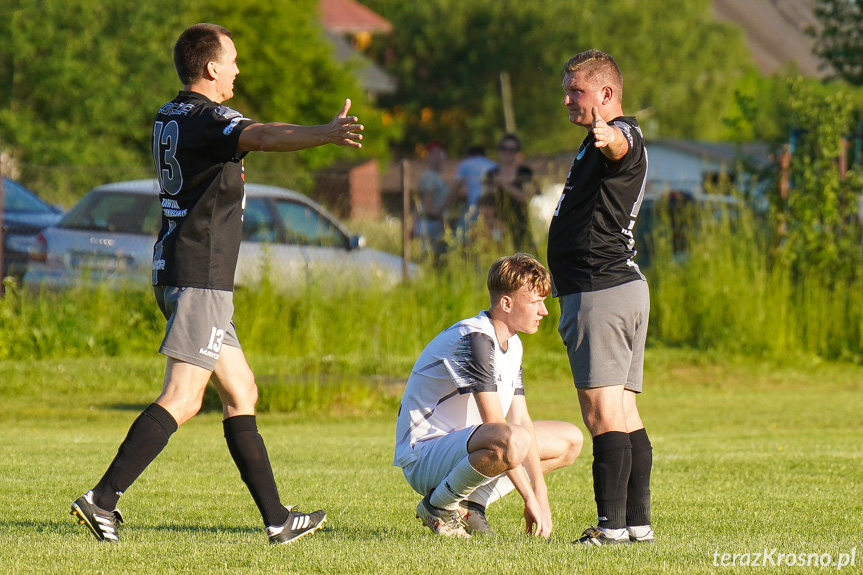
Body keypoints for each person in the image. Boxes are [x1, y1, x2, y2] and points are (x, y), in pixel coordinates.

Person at [70, 22, 364, 545]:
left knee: (242, 389)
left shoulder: (172, 112)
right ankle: (102, 498)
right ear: (210, 67)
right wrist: (323, 132)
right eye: (232, 61)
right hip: (200, 274)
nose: (236, 70)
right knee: (183, 398)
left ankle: (277, 519)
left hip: (181, 268)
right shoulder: (211, 118)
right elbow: (264, 134)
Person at [394, 253, 583, 538]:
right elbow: (497, 425)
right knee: (513, 439)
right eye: (535, 302)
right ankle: (438, 506)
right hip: (424, 456)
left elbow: (521, 418)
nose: (544, 311)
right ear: (506, 303)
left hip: (463, 447)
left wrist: (540, 493)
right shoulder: (476, 339)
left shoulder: (513, 343)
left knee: (570, 440)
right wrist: (527, 499)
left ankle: (472, 505)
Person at [547, 49, 653, 546]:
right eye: (566, 90)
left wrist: (608, 134)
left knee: (601, 415)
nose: (567, 99)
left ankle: (611, 528)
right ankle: (637, 524)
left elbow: (621, 143)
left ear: (606, 95)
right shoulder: (593, 141)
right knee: (624, 414)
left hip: (600, 289)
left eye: (577, 91)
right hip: (620, 288)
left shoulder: (618, 133)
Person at [483, 134, 539, 253]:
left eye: (511, 149)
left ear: (517, 152)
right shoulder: (491, 173)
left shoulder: (524, 172)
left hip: (521, 222)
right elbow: (486, 199)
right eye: (504, 148)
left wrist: (504, 185)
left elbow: (526, 197)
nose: (507, 152)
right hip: (498, 223)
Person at [413, 141, 450, 260]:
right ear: (428, 157)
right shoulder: (429, 177)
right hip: (430, 223)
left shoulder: (439, 176)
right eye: (433, 154)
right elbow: (427, 203)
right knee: (429, 256)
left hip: (436, 222)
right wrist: (440, 217)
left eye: (439, 153)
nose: (437, 157)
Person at [452, 145, 496, 230]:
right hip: (491, 207)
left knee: (462, 233)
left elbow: (455, 188)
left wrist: (442, 208)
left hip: (474, 205)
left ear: (469, 155)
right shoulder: (493, 164)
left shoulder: (465, 164)